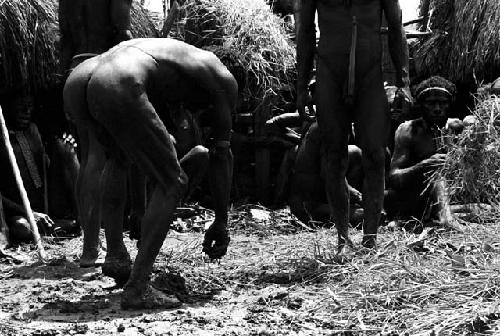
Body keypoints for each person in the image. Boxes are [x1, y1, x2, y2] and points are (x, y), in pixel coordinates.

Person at [63, 38, 237, 309]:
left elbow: (137, 157)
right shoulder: (223, 81)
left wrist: (140, 209)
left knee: (118, 158)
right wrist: (222, 221)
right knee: (174, 182)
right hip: (119, 78)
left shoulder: (174, 66)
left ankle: (117, 255)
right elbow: (222, 155)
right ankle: (138, 287)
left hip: (81, 78)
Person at [296, 0, 411, 249]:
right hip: (329, 72)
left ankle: (370, 240)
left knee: (375, 155)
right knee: (334, 156)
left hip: (369, 74)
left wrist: (404, 81)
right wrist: (301, 85)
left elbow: (395, 27)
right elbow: (305, 31)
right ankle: (342, 237)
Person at [58, 0, 133, 267]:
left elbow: (65, 39)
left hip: (76, 67)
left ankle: (89, 244)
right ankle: (92, 249)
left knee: (88, 153)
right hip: (103, 66)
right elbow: (122, 33)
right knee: (100, 158)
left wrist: (65, 82)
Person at [386, 76, 463, 228]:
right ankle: (446, 220)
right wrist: (424, 165)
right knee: (437, 177)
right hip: (415, 196)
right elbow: (393, 178)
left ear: (450, 104)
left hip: (447, 196)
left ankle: (438, 214)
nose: (437, 109)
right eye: (431, 103)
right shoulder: (408, 130)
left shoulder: (456, 128)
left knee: (485, 208)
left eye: (443, 103)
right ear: (421, 105)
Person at [0, 91, 55, 243]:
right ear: (8, 108)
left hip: (43, 206)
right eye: (20, 106)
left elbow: (46, 169)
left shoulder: (33, 130)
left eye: (30, 106)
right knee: (22, 228)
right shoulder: (1, 138)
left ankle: (72, 221)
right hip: (18, 211)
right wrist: (31, 213)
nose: (26, 111)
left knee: (66, 149)